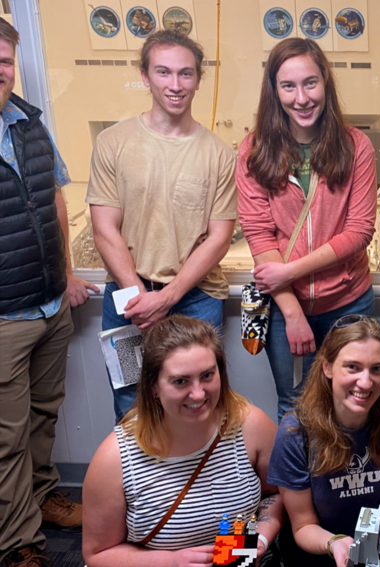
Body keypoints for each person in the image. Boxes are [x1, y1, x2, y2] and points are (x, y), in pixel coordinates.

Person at [87, 30, 237, 421]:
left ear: (199, 80)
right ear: (145, 75)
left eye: (186, 74)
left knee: (198, 402)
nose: (175, 85)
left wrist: (167, 298)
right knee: (131, 398)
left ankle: (195, 483)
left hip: (196, 298)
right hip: (127, 296)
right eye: (164, 72)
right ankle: (141, 485)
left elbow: (219, 238)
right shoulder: (112, 143)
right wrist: (140, 298)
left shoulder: (218, 154)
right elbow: (104, 228)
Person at [0, 17, 98, 566]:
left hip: (48, 303)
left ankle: (40, 500)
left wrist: (66, 276)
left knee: (43, 416)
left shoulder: (28, 125)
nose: (0, 72)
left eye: (6, 61)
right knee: (6, 439)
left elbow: (57, 201)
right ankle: (18, 543)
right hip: (4, 317)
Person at [236, 37, 377, 419]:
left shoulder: (355, 146)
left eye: (310, 83)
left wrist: (289, 270)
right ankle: (299, 482)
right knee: (296, 406)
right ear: (274, 90)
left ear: (326, 81)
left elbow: (360, 230)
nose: (301, 98)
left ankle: (349, 480)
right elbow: (258, 232)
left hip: (348, 302)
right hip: (286, 308)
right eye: (288, 86)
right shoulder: (253, 151)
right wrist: (293, 311)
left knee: (354, 404)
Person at [82, 315, 283, 567]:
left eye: (208, 375)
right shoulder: (115, 458)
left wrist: (260, 537)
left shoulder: (251, 425)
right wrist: (170, 561)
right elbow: (98, 554)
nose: (198, 393)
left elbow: (276, 493)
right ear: (153, 386)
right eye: (180, 381)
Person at [268, 315, 380, 567]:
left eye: (376, 369)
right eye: (352, 367)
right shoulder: (296, 433)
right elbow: (303, 525)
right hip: (320, 554)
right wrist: (337, 543)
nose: (365, 382)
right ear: (327, 368)